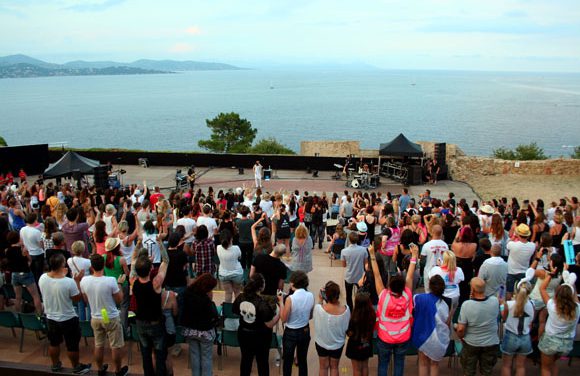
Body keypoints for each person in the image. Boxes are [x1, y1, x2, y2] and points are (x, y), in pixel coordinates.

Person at [368, 242, 418, 376]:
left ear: (389, 286)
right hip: (403, 337)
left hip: (384, 338)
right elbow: (410, 275)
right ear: (403, 287)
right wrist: (414, 256)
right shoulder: (407, 294)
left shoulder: (383, 296)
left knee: (383, 364)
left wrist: (372, 255)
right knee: (399, 364)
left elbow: (377, 275)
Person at [38, 253, 91, 375]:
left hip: (51, 316)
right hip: (68, 317)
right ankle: (76, 366)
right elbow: (77, 298)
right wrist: (76, 280)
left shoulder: (42, 278)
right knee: (72, 345)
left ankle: (55, 364)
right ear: (62, 265)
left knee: (53, 342)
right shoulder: (68, 282)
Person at [80, 254, 128, 376]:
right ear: (103, 265)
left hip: (95, 316)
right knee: (115, 345)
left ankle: (100, 369)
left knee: (98, 344)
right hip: (109, 316)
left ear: (92, 266)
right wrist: (120, 284)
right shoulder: (111, 281)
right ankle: (118, 370)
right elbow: (119, 299)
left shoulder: (84, 281)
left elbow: (85, 300)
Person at [132, 243, 169, 376]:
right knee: (159, 355)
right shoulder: (156, 283)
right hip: (155, 323)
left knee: (145, 354)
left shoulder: (134, 282)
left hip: (141, 323)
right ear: (150, 269)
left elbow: (133, 261)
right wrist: (160, 243)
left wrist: (138, 249)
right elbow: (165, 261)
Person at [233, 273, 280, 376]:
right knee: (262, 363)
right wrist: (279, 314)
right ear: (261, 287)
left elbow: (235, 311)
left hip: (244, 334)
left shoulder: (241, 297)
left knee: (245, 361)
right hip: (260, 337)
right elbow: (269, 324)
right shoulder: (262, 303)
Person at [455, 278, 500, 376]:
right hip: (491, 343)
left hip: (472, 343)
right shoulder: (494, 301)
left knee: (468, 371)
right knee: (487, 371)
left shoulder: (467, 305)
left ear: (473, 290)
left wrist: (460, 336)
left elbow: (461, 328)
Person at [538, 271, 580, 376]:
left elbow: (542, 288)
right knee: (553, 364)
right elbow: (574, 296)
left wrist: (551, 275)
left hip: (550, 342)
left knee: (546, 368)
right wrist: (571, 283)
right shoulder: (578, 308)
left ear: (557, 294)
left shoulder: (552, 306)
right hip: (566, 345)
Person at [412, 275, 451, 376]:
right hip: (439, 338)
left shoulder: (418, 298)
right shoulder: (448, 302)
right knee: (435, 365)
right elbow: (447, 322)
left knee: (423, 363)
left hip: (421, 337)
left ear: (429, 286)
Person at [181, 273, 219, 376]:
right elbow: (212, 315)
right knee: (206, 357)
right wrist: (210, 299)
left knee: (194, 357)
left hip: (190, 330)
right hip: (205, 332)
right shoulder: (205, 300)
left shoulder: (187, 293)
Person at [278, 271, 315, 376]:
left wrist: (281, 302)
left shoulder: (290, 299)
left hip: (291, 332)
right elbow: (310, 316)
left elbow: (284, 319)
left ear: (293, 283)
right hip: (305, 330)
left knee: (288, 362)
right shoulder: (311, 295)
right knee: (302, 360)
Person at [313, 281, 350, 376]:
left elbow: (316, 317)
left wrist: (320, 299)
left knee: (323, 367)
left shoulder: (318, 309)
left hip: (321, 343)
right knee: (334, 367)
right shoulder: (346, 310)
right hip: (337, 345)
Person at [5, 231, 43, 314]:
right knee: (35, 296)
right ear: (18, 238)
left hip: (15, 274)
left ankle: (18, 317)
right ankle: (40, 316)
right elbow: (30, 260)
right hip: (25, 273)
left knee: (18, 297)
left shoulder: (7, 251)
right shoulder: (23, 249)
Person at [500, 280, 533, 376]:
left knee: (506, 365)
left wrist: (502, 305)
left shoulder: (509, 304)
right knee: (521, 366)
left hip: (511, 336)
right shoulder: (532, 304)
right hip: (525, 337)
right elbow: (531, 320)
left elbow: (504, 317)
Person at [346, 293, 376, 376]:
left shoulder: (354, 317)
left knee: (356, 369)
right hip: (366, 343)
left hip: (355, 345)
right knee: (365, 366)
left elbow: (350, 332)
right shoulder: (372, 315)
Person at [506, 224, 535, 299]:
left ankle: (509, 306)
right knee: (522, 294)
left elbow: (508, 244)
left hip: (511, 271)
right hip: (524, 272)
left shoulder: (513, 245)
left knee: (509, 291)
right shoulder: (532, 246)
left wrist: (514, 237)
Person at [341, 231, 368, 312]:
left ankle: (351, 310)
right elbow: (365, 263)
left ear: (349, 240)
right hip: (360, 275)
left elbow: (343, 265)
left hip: (349, 276)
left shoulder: (344, 251)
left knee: (348, 295)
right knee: (361, 295)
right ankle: (359, 309)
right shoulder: (363, 250)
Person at [217, 229, 244, 303]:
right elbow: (239, 257)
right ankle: (238, 310)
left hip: (223, 274)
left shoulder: (218, 248)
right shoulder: (236, 248)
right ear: (231, 238)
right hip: (237, 274)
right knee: (237, 292)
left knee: (228, 293)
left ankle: (227, 311)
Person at [420, 224, 448, 292]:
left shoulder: (426, 245)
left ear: (431, 232)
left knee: (428, 291)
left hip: (428, 271)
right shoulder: (445, 245)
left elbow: (422, 260)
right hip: (442, 272)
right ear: (441, 233)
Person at [20, 212, 44, 283]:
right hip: (38, 254)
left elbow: (22, 242)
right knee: (38, 273)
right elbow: (41, 245)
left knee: (32, 272)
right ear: (35, 220)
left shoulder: (22, 229)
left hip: (28, 253)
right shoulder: (36, 232)